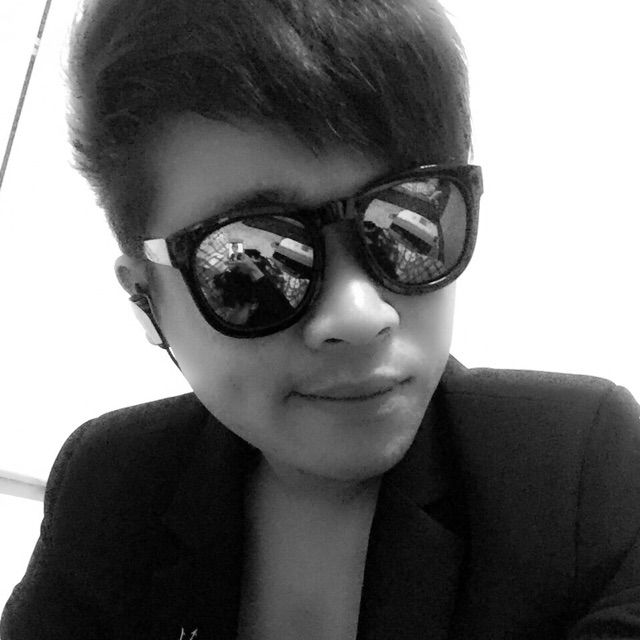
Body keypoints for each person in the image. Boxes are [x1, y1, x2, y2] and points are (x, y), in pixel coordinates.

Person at [2, 0, 639, 638]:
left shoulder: (580, 471)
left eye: (404, 224)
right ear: (146, 299)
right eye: (250, 259)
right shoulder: (108, 489)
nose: (361, 316)